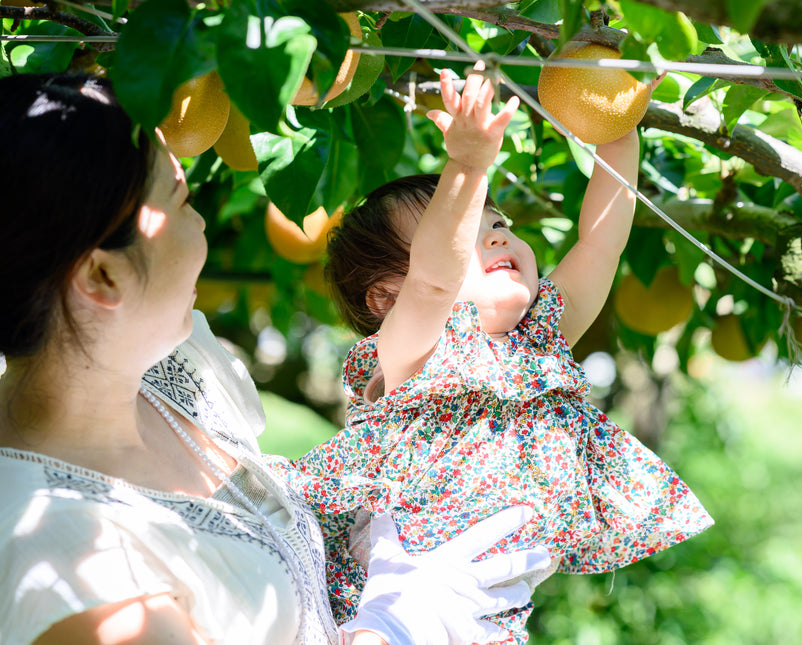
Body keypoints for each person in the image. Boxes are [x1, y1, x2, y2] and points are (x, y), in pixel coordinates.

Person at [0, 72, 551, 645]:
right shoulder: (70, 561)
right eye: (182, 200)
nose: (203, 224)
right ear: (102, 274)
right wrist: (408, 620)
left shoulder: (172, 367)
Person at [274, 64, 713, 642]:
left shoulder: (537, 346)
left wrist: (617, 126)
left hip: (496, 613)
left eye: (499, 224)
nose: (499, 236)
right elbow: (433, 281)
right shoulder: (414, 356)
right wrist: (467, 165)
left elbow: (603, 240)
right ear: (387, 296)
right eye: (469, 232)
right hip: (415, 587)